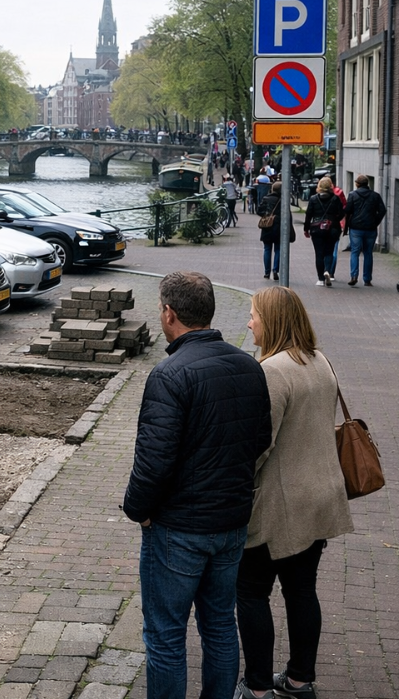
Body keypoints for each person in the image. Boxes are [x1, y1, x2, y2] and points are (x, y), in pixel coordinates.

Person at [123, 271, 272, 699]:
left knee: (166, 634)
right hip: (231, 524)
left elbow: (153, 462)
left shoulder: (169, 375)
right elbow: (260, 440)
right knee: (220, 624)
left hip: (179, 529)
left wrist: (137, 510)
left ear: (169, 313)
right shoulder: (248, 365)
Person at [235, 286, 354, 699]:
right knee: (301, 590)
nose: (249, 322)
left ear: (272, 321)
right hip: (320, 495)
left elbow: (259, 443)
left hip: (279, 504)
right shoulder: (320, 360)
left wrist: (232, 480)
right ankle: (300, 681)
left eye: (254, 315)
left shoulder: (272, 371)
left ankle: (257, 688)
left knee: (251, 592)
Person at [343, 175, 387, 286]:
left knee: (355, 252)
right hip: (370, 228)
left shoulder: (352, 195)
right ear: (367, 184)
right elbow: (382, 210)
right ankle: (367, 279)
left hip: (356, 228)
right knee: (368, 253)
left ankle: (354, 276)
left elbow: (347, 210)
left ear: (357, 184)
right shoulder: (375, 196)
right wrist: (375, 221)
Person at [303, 177, 344, 286]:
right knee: (329, 252)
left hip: (317, 229)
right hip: (333, 228)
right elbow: (341, 213)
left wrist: (306, 229)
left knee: (319, 253)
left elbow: (308, 215)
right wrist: (334, 220)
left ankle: (320, 279)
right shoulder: (335, 199)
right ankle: (327, 270)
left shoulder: (313, 199)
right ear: (331, 186)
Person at [257, 182, 294, 280]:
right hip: (279, 227)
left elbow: (259, 211)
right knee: (278, 249)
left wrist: (267, 215)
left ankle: (266, 272)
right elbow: (288, 215)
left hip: (267, 226)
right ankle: (275, 270)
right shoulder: (283, 200)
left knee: (267, 249)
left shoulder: (266, 198)